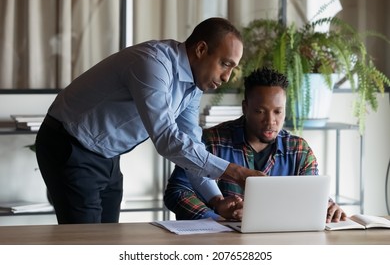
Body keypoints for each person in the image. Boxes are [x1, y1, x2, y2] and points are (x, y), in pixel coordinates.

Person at [35, 17, 263, 224]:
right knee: (85, 244)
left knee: (106, 238)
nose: (227, 77)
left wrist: (216, 200)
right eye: (225, 64)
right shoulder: (152, 64)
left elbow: (190, 146)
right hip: (69, 144)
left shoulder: (192, 87)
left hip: (106, 154)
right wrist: (237, 172)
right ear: (201, 49)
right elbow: (167, 139)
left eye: (232, 68)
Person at [164, 67, 347, 223]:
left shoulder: (299, 151)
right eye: (260, 111)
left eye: (278, 112)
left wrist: (328, 206)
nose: (270, 121)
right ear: (245, 108)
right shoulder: (211, 141)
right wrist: (215, 216)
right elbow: (177, 191)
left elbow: (310, 197)